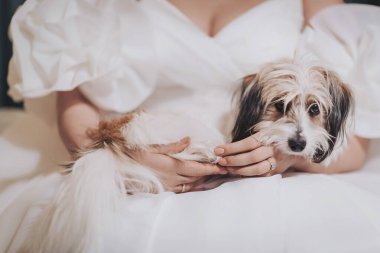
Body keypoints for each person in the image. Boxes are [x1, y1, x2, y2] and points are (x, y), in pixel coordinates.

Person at [3, 0, 380, 252]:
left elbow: (351, 137)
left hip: (285, 172)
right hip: (139, 150)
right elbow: (74, 107)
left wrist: (285, 158)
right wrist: (126, 156)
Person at [53, 0, 368, 193]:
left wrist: (292, 156)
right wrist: (123, 159)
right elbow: (76, 100)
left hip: (274, 184)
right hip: (136, 159)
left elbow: (354, 143)